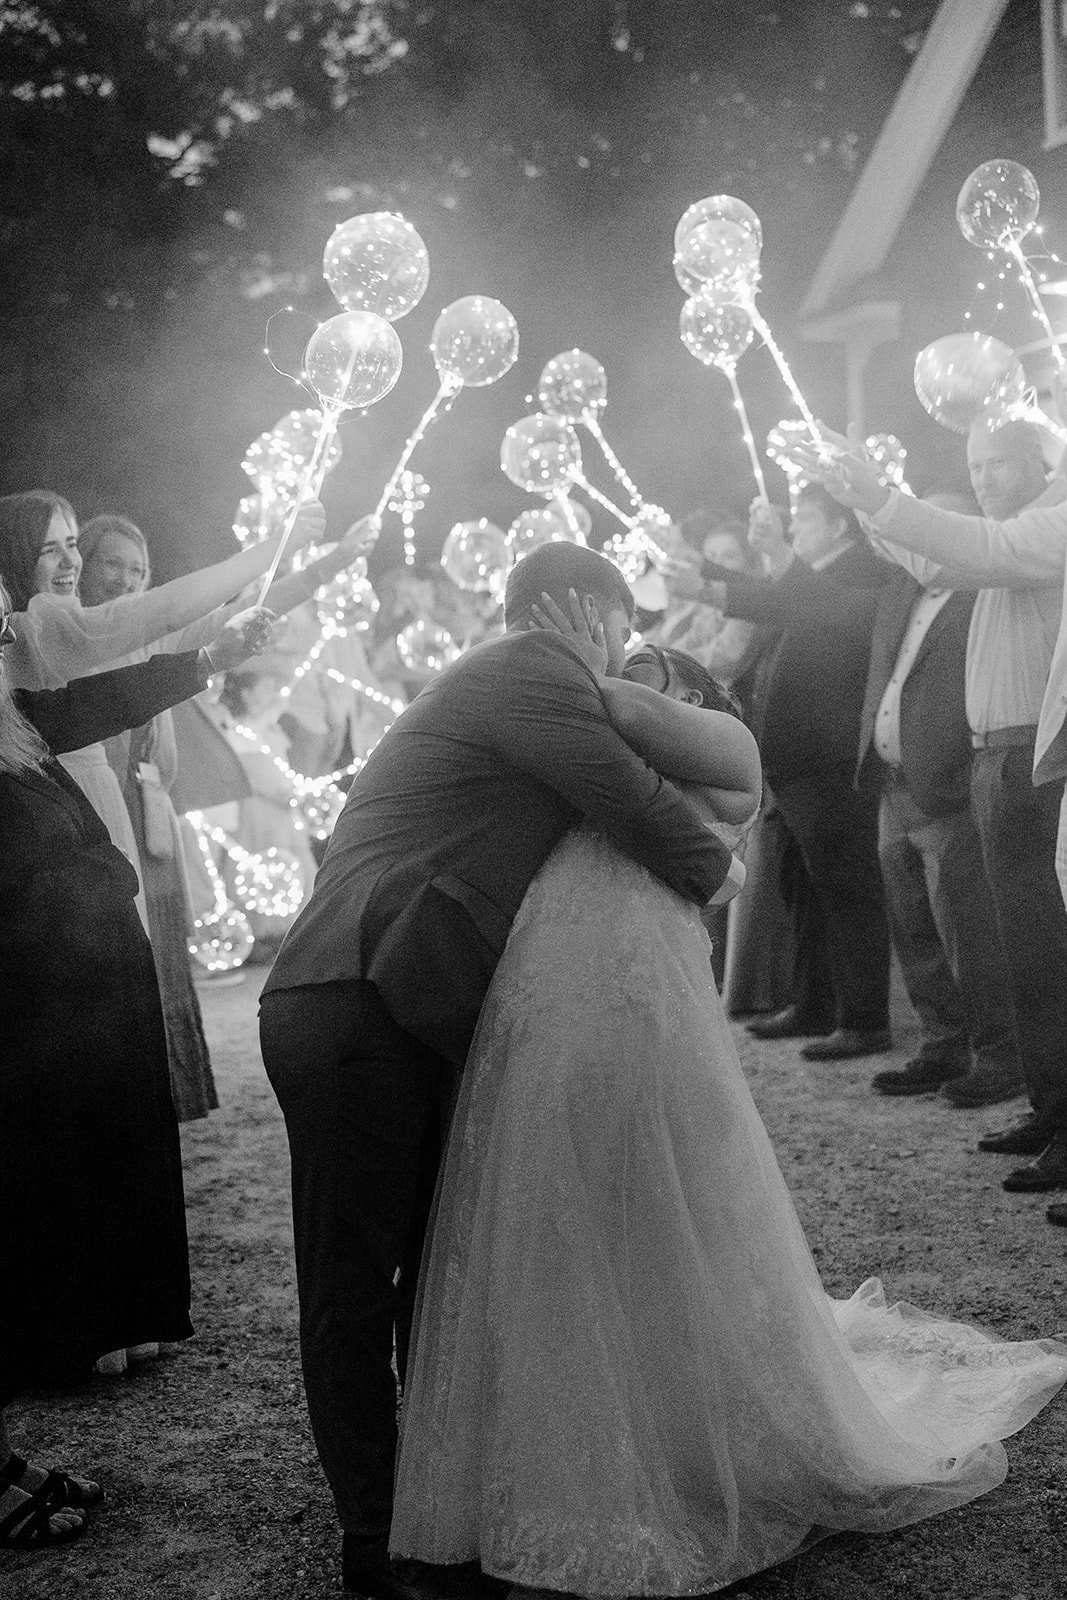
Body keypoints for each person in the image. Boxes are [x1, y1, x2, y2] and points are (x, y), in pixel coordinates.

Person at [389, 605, 1067, 1599]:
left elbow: (621, 712)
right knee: (556, 1194)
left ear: (695, 694)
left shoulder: (719, 743)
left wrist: (577, 658)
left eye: (654, 670)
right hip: (551, 987)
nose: (632, 678)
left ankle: (684, 1425)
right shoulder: (600, 760)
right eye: (624, 664)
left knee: (671, 1187)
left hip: (640, 991)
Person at [259, 542, 738, 1600]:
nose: (620, 652)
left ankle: (429, 1514)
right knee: (352, 1282)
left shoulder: (504, 677)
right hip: (349, 993)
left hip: (398, 999)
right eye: (621, 628)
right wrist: (720, 870)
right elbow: (629, 795)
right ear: (582, 609)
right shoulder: (528, 667)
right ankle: (370, 1539)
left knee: (432, 1267)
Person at [0, 582, 272, 1548]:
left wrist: (209, 659)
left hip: (68, 1014)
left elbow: (100, 698)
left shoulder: (13, 721)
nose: (5, 631)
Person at [790, 421, 1067, 1216]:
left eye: (996, 461)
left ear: (1042, 463)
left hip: (1032, 763)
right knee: (1024, 958)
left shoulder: (1038, 533)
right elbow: (935, 561)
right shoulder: (1003, 546)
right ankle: (1050, 1109)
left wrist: (877, 497)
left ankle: (1061, 1121)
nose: (980, 476)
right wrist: (864, 502)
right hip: (996, 761)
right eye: (973, 462)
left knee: (1045, 957)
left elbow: (973, 548)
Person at [670, 483, 894, 1060]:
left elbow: (798, 600)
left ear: (840, 526)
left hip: (830, 758)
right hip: (796, 762)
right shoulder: (811, 577)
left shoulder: (861, 569)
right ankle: (813, 1001)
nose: (794, 527)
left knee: (845, 888)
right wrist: (703, 576)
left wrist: (724, 576)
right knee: (803, 887)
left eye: (806, 519)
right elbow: (777, 596)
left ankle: (865, 1018)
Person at [855, 503, 1022, 1108]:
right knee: (913, 927)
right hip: (892, 783)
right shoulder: (901, 589)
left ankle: (1001, 1059)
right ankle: (943, 1045)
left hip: (947, 785)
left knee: (968, 933)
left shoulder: (983, 591)